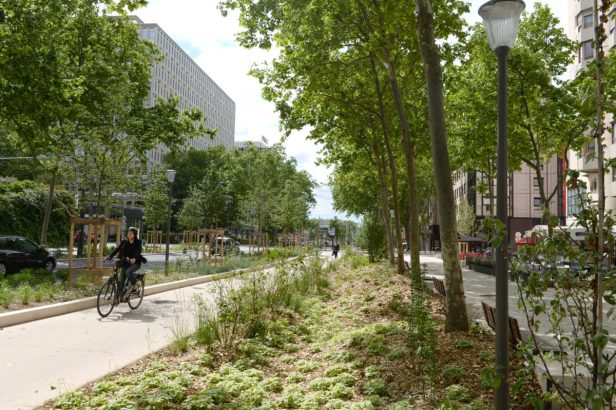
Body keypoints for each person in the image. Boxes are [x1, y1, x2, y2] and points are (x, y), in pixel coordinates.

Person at [106, 227, 144, 302]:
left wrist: (134, 258)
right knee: (121, 281)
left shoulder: (138, 242)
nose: (129, 234)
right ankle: (117, 298)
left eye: (131, 233)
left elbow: (138, 252)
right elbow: (117, 249)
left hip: (135, 263)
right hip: (126, 263)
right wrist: (110, 256)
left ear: (134, 235)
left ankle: (135, 285)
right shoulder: (124, 242)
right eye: (128, 233)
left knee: (128, 272)